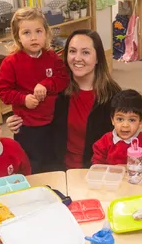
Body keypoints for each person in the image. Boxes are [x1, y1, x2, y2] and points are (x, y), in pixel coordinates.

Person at [0, 7, 69, 173]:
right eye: (26, 32)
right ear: (18, 37)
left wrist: (46, 84)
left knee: (54, 162)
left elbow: (63, 78)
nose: (34, 37)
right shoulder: (11, 62)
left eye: (38, 31)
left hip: (52, 121)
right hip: (27, 126)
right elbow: (2, 90)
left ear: (46, 33)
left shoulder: (52, 57)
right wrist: (23, 99)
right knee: (31, 165)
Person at [49, 30, 122, 169]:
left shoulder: (113, 95)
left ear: (98, 58)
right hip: (59, 170)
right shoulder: (57, 89)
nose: (77, 58)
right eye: (72, 51)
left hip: (96, 172)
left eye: (85, 52)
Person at [90, 89, 142, 176]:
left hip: (138, 186)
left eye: (132, 120)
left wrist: (127, 168)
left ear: (140, 122)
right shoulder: (104, 141)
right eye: (120, 119)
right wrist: (112, 170)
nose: (125, 125)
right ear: (112, 120)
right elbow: (97, 165)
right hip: (112, 185)